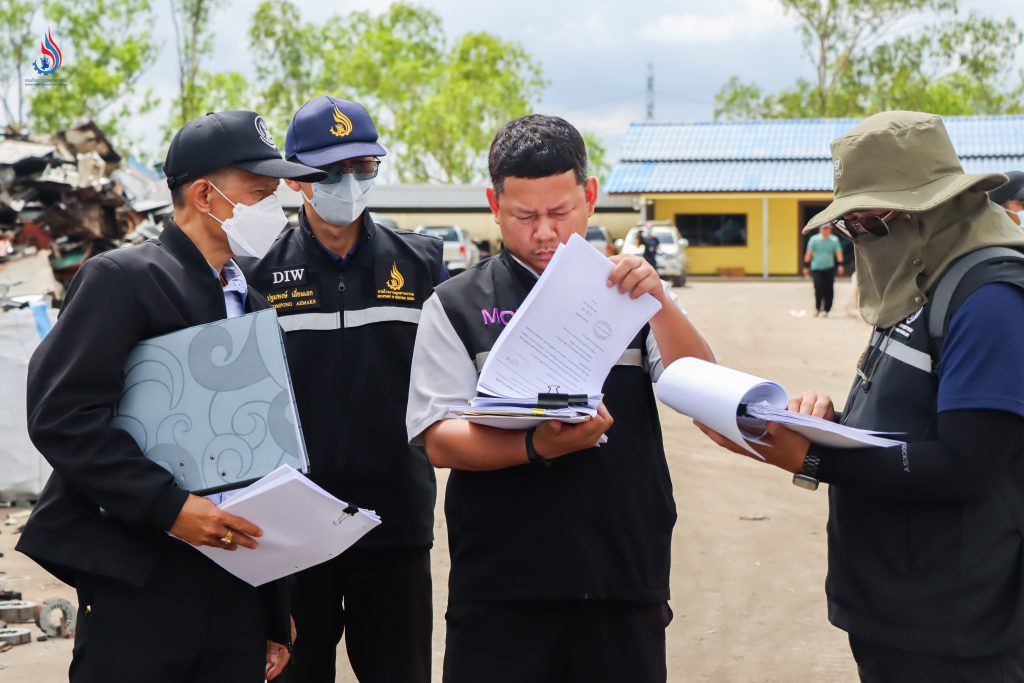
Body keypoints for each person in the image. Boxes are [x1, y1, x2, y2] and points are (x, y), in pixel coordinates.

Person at [696, 111, 1024, 682]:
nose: (860, 238)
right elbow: (911, 426)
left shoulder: (988, 300)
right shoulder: (922, 280)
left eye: (870, 222)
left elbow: (965, 466)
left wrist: (814, 457)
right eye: (851, 225)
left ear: (930, 209)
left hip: (955, 624)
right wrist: (830, 424)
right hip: (894, 605)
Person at [16, 110, 327, 682]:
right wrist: (169, 509)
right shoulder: (125, 278)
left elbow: (262, 456)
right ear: (206, 195)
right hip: (142, 578)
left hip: (234, 581)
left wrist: (272, 610)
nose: (274, 210)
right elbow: (63, 415)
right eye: (259, 194)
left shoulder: (253, 304)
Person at [406, 114, 715, 683]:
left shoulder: (630, 293)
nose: (544, 232)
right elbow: (439, 438)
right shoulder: (454, 305)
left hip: (622, 573)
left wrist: (660, 303)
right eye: (525, 216)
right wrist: (536, 447)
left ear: (590, 196)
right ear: (494, 206)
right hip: (501, 585)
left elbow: (701, 386)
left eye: (560, 212)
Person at [240, 96, 445, 683]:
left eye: (362, 166)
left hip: (395, 521)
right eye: (330, 171)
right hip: (293, 528)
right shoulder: (256, 272)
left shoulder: (421, 263)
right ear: (295, 178)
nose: (348, 182)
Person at [803, 223, 845, 316]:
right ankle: (818, 308)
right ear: (820, 229)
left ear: (830, 230)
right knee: (819, 288)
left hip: (829, 268)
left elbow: (838, 253)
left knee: (829, 289)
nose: (826, 230)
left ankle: (826, 309)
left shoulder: (834, 240)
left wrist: (840, 265)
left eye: (827, 228)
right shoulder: (814, 240)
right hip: (817, 268)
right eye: (824, 228)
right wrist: (806, 266)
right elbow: (809, 253)